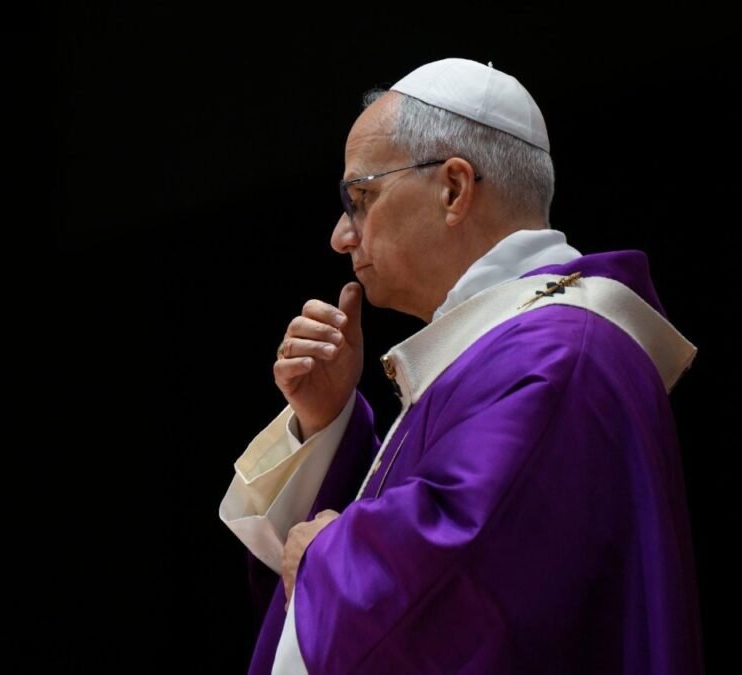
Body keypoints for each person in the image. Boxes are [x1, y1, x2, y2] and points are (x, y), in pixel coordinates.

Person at [218, 58, 703, 674]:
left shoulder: (555, 356)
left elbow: (463, 588)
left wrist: (327, 559)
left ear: (453, 189)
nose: (342, 236)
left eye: (360, 198)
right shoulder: (509, 347)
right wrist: (328, 421)